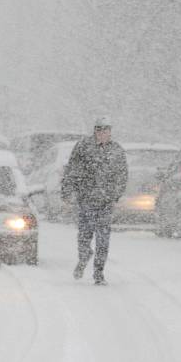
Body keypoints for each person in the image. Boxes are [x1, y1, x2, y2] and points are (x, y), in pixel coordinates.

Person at [61, 116, 128, 284]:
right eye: (99, 130)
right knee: (84, 235)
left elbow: (122, 175)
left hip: (105, 202)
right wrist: (67, 191)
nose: (103, 133)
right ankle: (84, 258)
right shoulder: (83, 147)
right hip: (85, 199)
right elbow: (71, 170)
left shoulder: (117, 150)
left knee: (103, 238)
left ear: (110, 132)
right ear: (95, 131)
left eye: (106, 130)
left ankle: (99, 272)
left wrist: (116, 195)